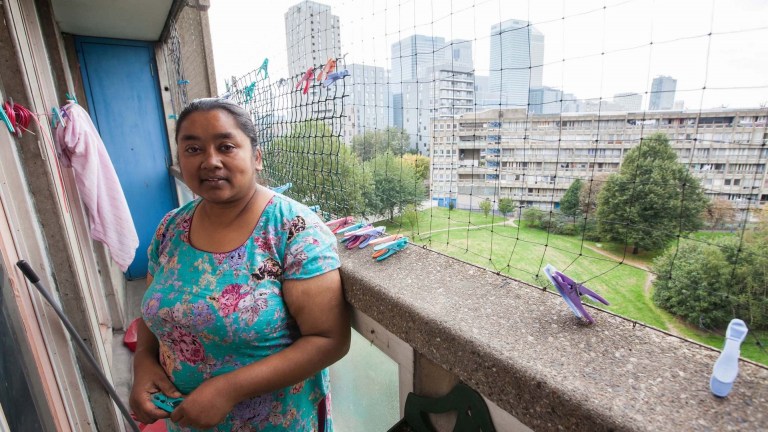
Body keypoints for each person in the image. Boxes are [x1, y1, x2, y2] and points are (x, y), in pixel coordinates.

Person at [129, 98, 350, 431]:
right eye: (193, 150)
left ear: (256, 157)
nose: (211, 161)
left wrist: (229, 390)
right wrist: (143, 364)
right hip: (186, 420)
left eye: (226, 146)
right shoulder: (170, 228)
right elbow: (152, 313)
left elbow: (328, 339)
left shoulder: (293, 231)